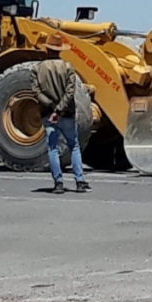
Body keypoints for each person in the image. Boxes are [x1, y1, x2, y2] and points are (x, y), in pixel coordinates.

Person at [31, 32, 90, 195]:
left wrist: (51, 107)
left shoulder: (37, 69)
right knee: (74, 146)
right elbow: (70, 91)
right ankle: (80, 181)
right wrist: (60, 109)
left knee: (52, 148)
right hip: (67, 114)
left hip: (48, 115)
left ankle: (58, 183)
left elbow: (36, 92)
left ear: (47, 49)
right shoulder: (68, 67)